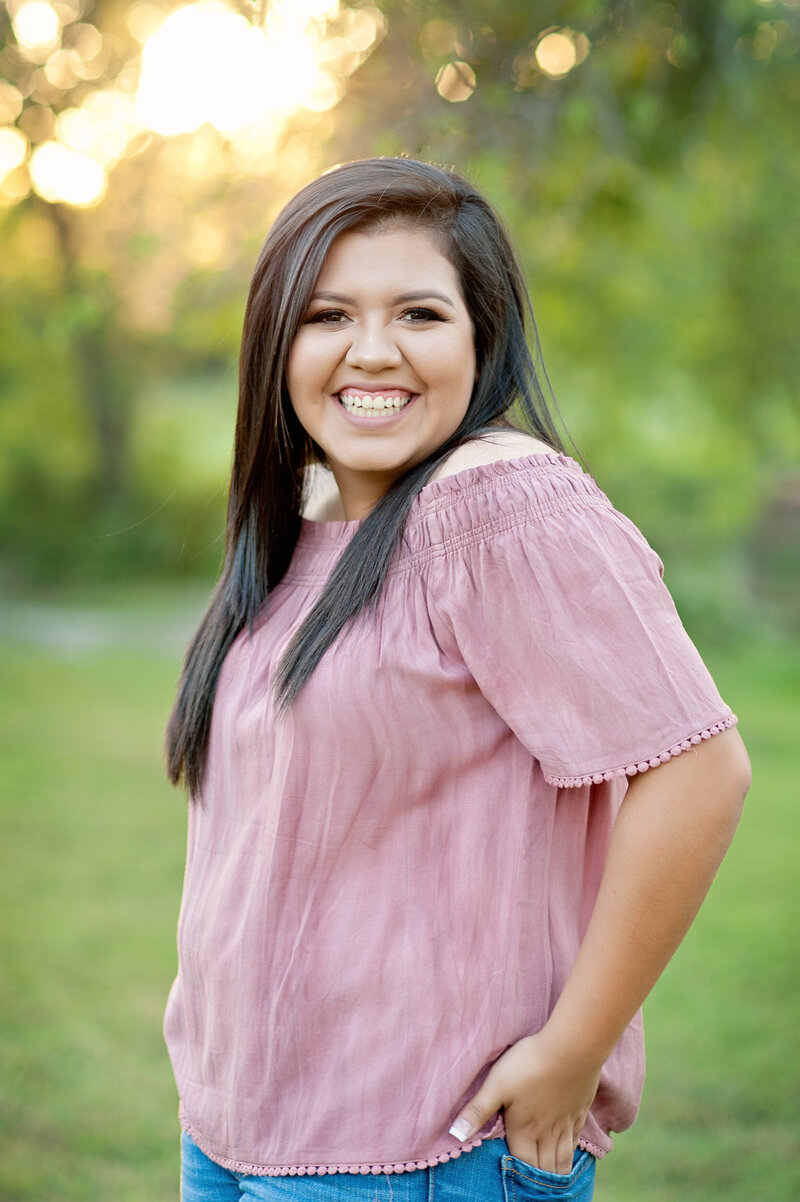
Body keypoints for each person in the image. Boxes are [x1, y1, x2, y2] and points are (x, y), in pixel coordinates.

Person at [164, 158, 751, 1202]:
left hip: (418, 1140)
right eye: (327, 314)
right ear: (274, 345)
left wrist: (571, 1051)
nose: (372, 350)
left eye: (419, 313)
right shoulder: (304, 522)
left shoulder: (495, 500)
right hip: (238, 1118)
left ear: (482, 339)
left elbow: (698, 771)